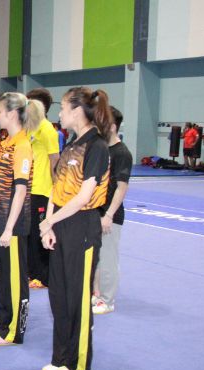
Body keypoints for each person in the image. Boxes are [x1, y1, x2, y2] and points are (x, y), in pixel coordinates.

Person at [39, 87, 111, 370]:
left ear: (77, 111)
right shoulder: (70, 144)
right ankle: (60, 357)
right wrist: (48, 224)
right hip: (61, 225)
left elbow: (83, 197)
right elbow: (56, 189)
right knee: (58, 296)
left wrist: (51, 220)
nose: (59, 114)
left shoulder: (97, 146)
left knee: (77, 299)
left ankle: (78, 365)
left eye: (63, 108)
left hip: (82, 227)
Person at [0, 92, 39, 346]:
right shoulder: (6, 143)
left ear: (12, 114)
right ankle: (3, 323)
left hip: (15, 226)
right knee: (3, 276)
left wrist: (9, 227)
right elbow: (0, 187)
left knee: (16, 278)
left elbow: (21, 190)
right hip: (2, 221)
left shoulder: (23, 146)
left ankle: (15, 331)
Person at [93, 106, 132, 315]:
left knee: (108, 259)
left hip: (110, 215)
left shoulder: (122, 153)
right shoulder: (101, 149)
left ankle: (107, 301)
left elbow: (121, 187)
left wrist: (109, 215)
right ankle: (97, 294)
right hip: (95, 211)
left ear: (113, 126)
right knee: (96, 257)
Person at [25, 88, 60, 289]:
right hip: (30, 187)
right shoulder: (30, 128)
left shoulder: (47, 129)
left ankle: (43, 276)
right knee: (29, 232)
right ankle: (31, 271)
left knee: (40, 233)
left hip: (43, 189)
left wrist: (56, 190)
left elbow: (54, 159)